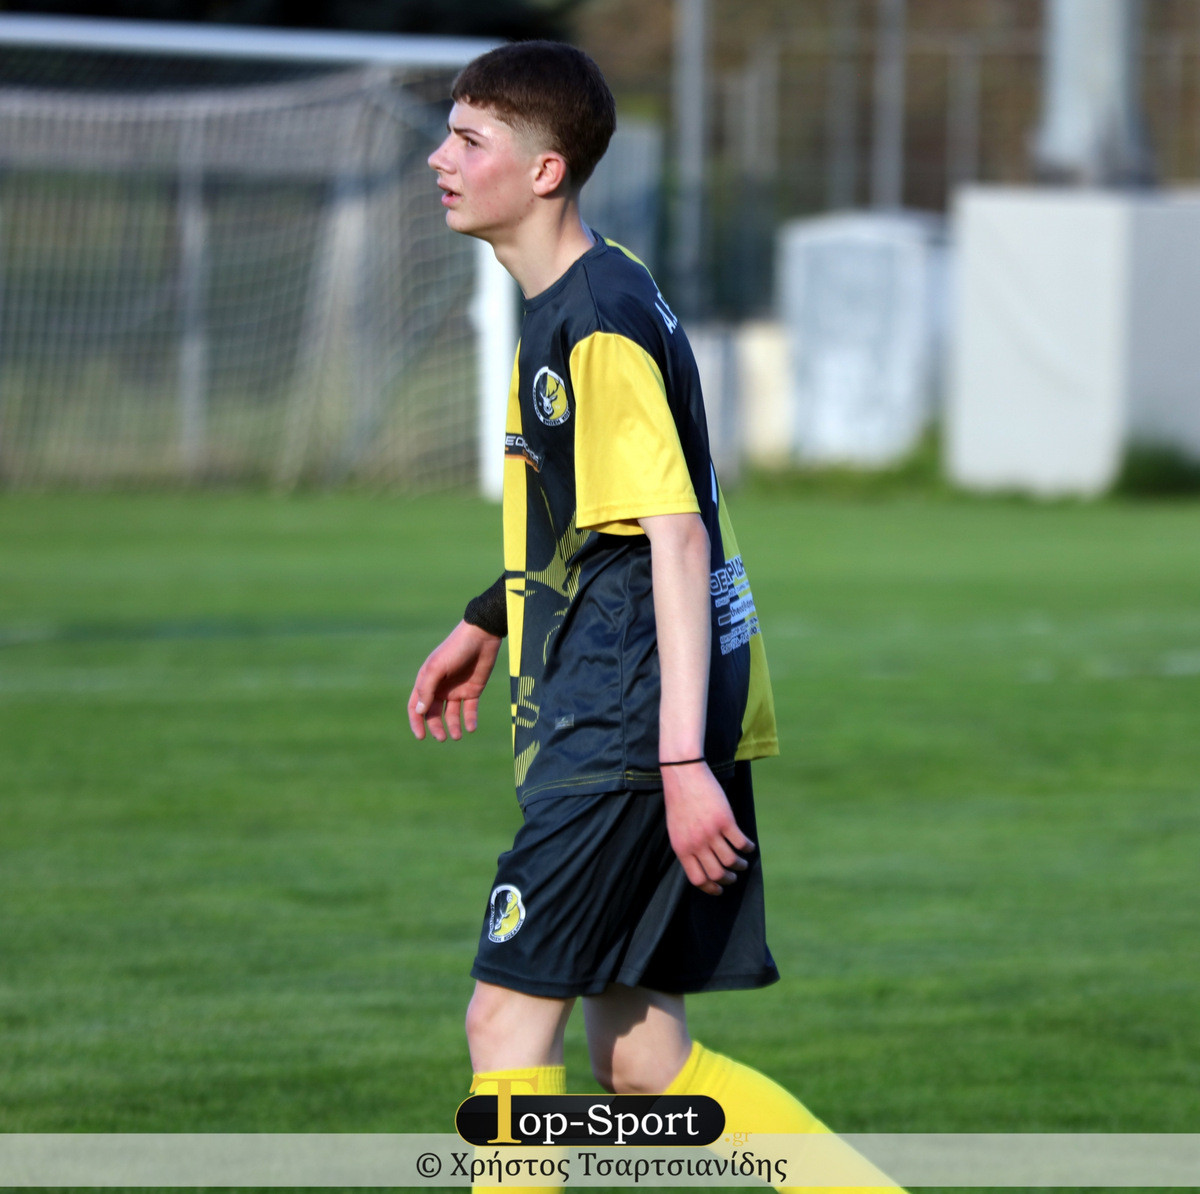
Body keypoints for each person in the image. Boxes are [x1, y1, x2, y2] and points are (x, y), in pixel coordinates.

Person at [407, 40, 845, 1194]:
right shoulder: (591, 289)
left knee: (504, 1027)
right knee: (645, 1065)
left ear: (544, 171)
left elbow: (676, 535)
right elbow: (592, 516)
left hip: (627, 732)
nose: (440, 159)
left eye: (469, 140)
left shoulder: (594, 320)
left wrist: (677, 761)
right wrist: (489, 616)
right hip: (635, 719)